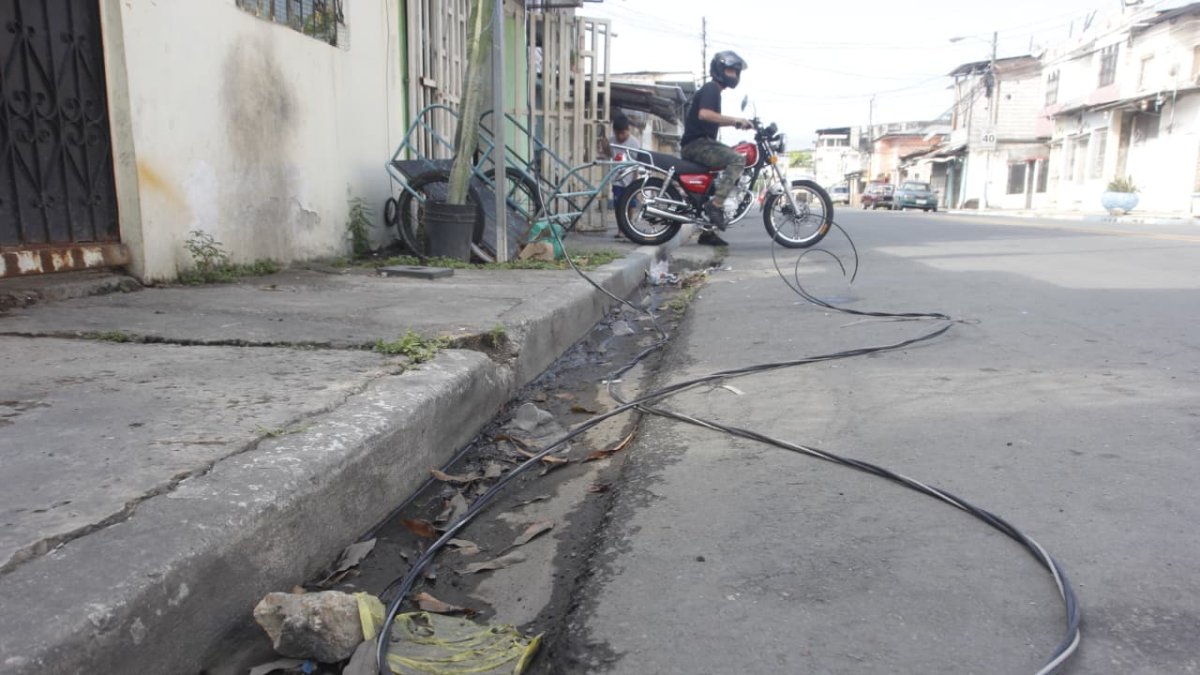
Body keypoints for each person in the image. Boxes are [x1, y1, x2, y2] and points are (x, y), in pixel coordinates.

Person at [681, 50, 752, 246]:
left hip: (701, 143)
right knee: (737, 159)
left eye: (736, 72)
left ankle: (707, 232)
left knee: (715, 181)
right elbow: (705, 114)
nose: (734, 76)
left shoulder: (714, 91)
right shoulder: (711, 88)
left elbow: (712, 119)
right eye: (730, 71)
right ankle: (716, 204)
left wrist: (737, 123)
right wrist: (736, 120)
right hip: (697, 145)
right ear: (720, 69)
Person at [608, 113, 642, 210]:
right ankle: (620, 223)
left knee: (630, 205)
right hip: (617, 181)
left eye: (622, 133)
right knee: (618, 205)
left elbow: (637, 164)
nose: (619, 136)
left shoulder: (634, 143)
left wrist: (634, 182)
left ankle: (627, 222)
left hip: (629, 181)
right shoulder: (612, 141)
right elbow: (608, 154)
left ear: (628, 130)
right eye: (617, 133)